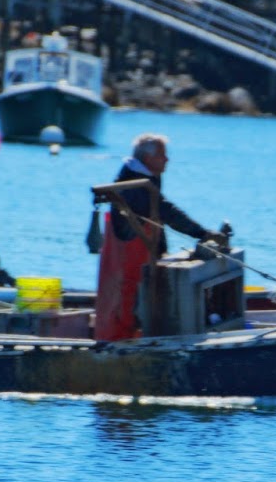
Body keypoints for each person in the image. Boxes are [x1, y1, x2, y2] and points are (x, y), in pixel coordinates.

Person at [93, 133, 223, 342]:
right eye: (162, 155)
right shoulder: (135, 185)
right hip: (127, 261)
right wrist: (202, 233)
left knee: (138, 296)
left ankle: (138, 335)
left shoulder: (145, 177)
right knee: (126, 300)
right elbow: (166, 212)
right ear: (148, 158)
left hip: (141, 257)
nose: (167, 159)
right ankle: (123, 344)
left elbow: (159, 214)